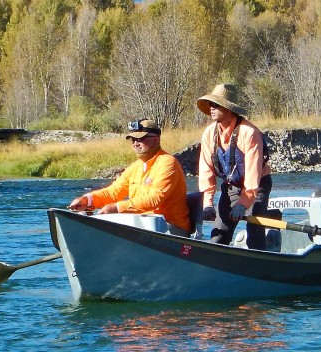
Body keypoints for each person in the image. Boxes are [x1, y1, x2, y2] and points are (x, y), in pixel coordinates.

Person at [68, 119, 191, 236]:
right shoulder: (135, 167)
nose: (136, 143)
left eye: (141, 139)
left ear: (156, 140)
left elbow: (154, 199)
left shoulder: (168, 163)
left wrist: (117, 207)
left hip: (171, 229)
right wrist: (87, 200)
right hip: (141, 226)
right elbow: (113, 192)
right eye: (132, 139)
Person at [197, 84, 272, 250]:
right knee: (218, 236)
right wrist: (207, 203)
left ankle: (258, 264)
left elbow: (253, 177)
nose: (212, 108)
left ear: (229, 109)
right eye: (211, 105)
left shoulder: (249, 132)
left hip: (258, 186)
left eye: (216, 105)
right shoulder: (209, 133)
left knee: (255, 232)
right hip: (231, 186)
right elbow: (206, 171)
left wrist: (242, 204)